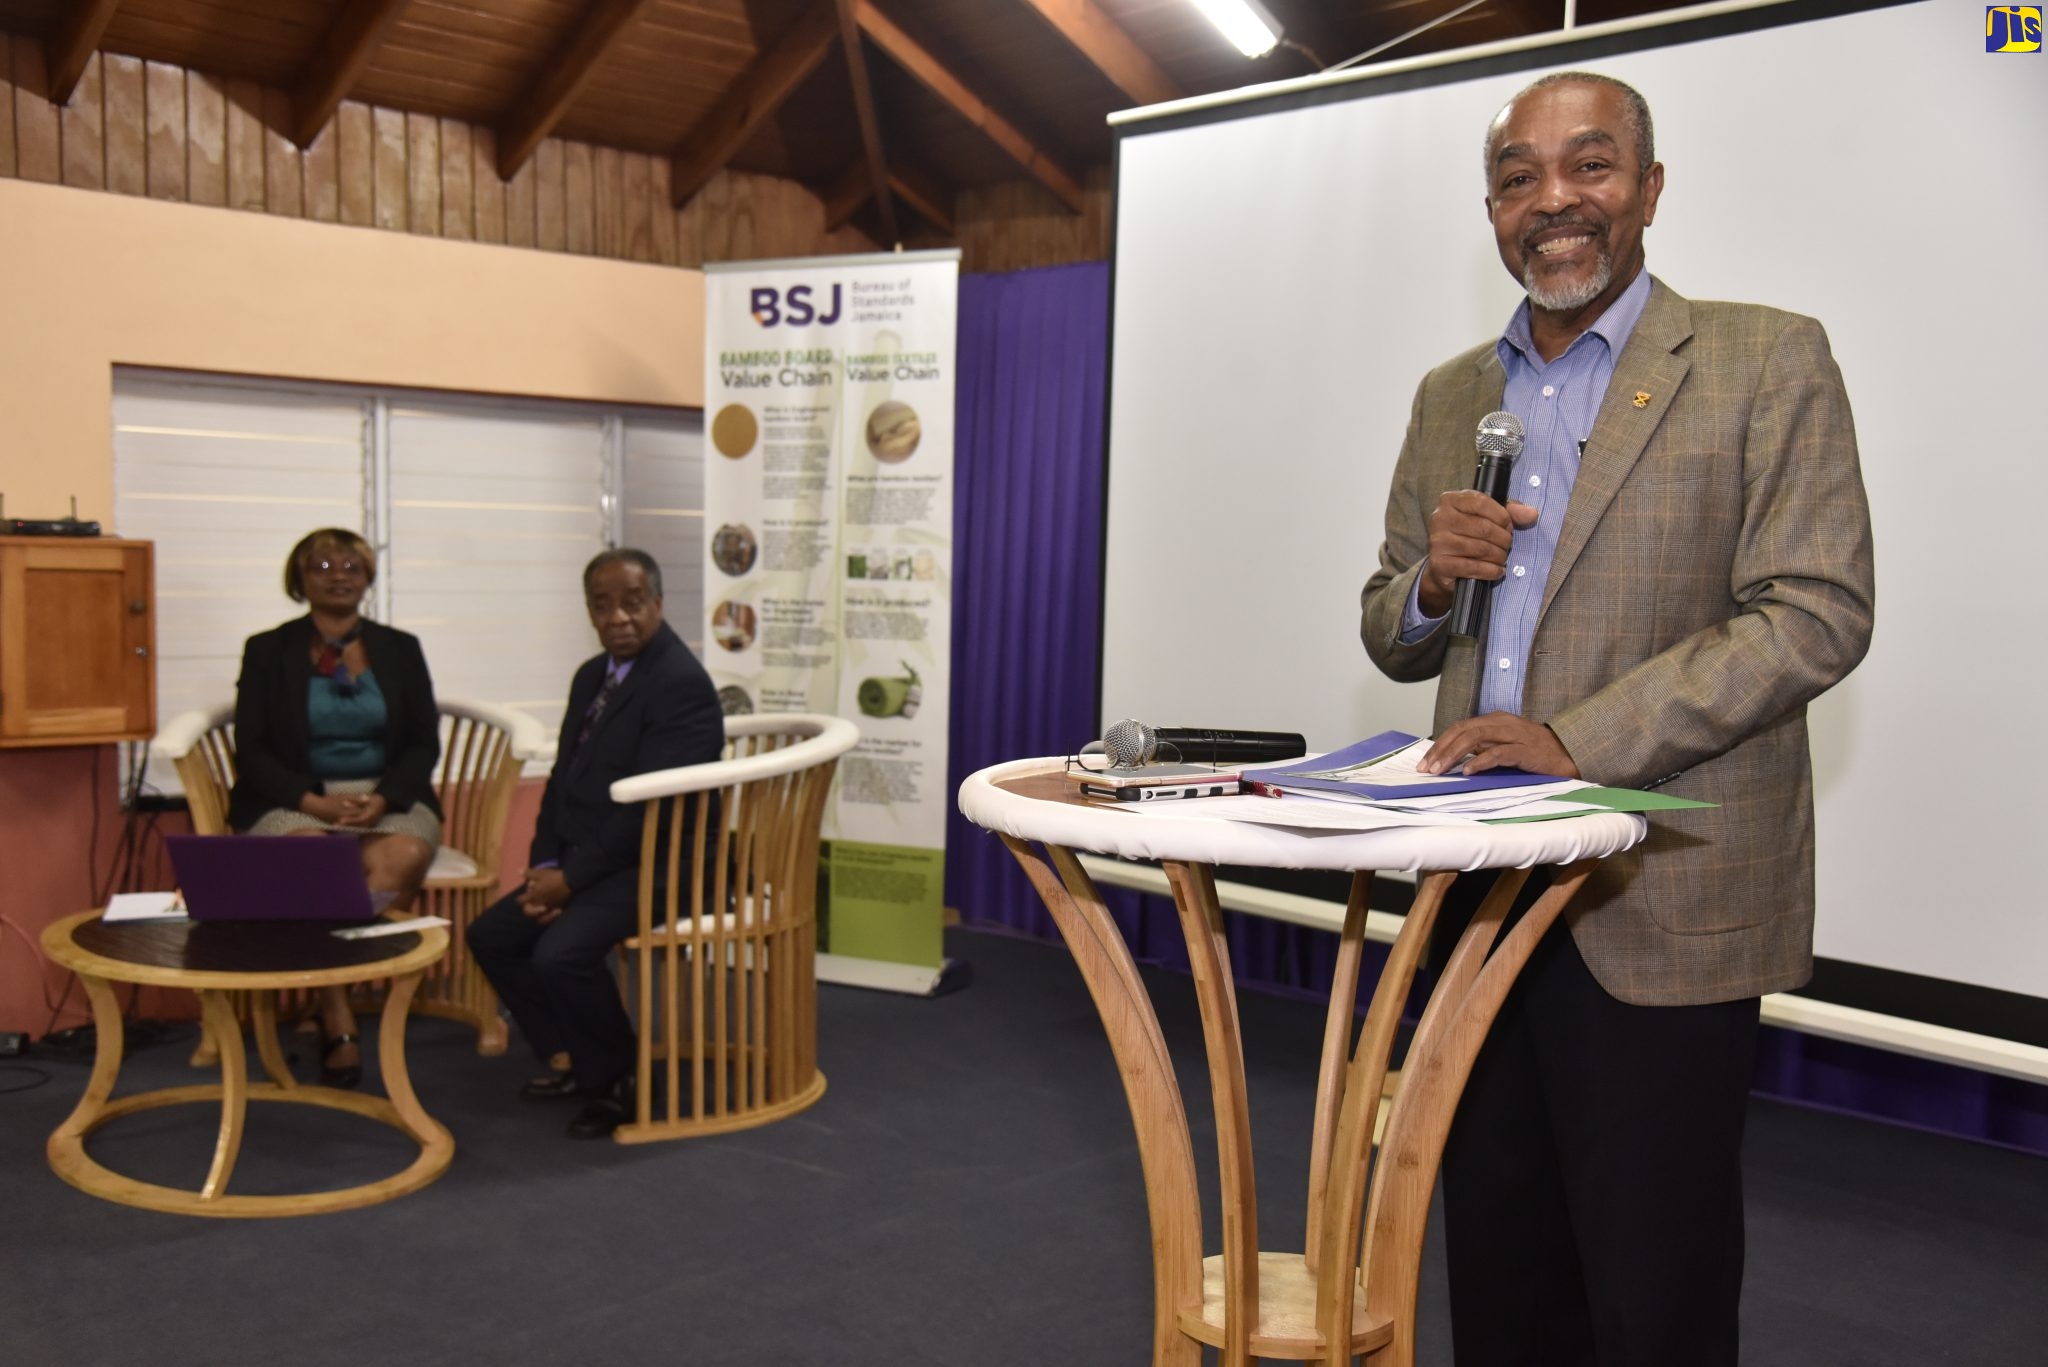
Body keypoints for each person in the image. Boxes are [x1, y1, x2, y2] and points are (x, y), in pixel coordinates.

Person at [1358, 72, 1874, 1366]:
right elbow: (1386, 624)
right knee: (1498, 1268)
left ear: (1648, 189)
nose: (1555, 202)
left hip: (1657, 907)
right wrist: (1430, 578)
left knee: (1656, 1294)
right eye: (1519, 179)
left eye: (1588, 167)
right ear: (1492, 213)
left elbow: (1815, 610)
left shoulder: (1768, 357)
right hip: (1476, 903)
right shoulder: (1447, 396)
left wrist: (1578, 740)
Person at [467, 549, 724, 1139]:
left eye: (633, 603)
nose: (619, 618)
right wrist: (545, 866)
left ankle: (617, 1082)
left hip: (665, 862)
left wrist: (571, 881)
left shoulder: (680, 684)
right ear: (588, 611)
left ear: (657, 603)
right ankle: (573, 1057)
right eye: (602, 605)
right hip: (593, 860)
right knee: (493, 936)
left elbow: (651, 812)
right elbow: (564, 780)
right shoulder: (592, 676)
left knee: (560, 954)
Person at [230, 528, 442, 1087]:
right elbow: (249, 749)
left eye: (351, 564)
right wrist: (313, 803)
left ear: (369, 576)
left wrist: (386, 799)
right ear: (299, 580)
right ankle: (339, 1010)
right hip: (295, 794)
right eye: (321, 565)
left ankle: (328, 994)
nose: (338, 574)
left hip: (386, 790)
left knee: (401, 857)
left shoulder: (400, 648)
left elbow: (424, 742)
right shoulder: (266, 650)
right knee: (312, 861)